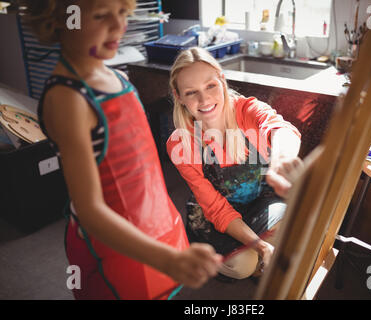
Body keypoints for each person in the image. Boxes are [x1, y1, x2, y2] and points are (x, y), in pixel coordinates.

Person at [22, 0, 222, 300]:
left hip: (156, 226)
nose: (119, 26)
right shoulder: (68, 99)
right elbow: (90, 211)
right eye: (102, 15)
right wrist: (166, 259)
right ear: (60, 19)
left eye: (122, 13)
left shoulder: (117, 78)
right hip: (115, 247)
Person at [166, 47, 302, 280]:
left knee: (294, 225)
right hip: (213, 214)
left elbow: (281, 129)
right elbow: (217, 209)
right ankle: (210, 256)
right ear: (179, 97)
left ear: (222, 80)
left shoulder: (247, 109)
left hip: (258, 200)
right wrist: (260, 246)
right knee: (243, 266)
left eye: (210, 86)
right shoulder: (181, 143)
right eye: (191, 92)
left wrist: (281, 159)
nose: (204, 99)